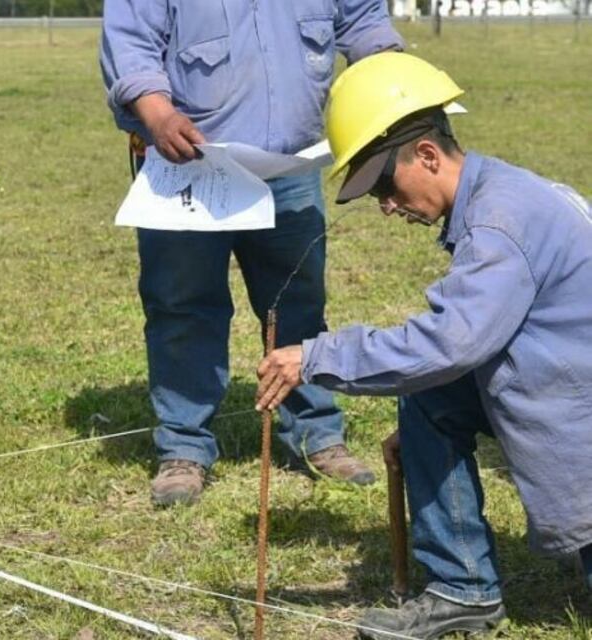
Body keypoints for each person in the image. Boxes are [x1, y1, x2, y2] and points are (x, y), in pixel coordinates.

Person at [255, 52, 592, 638]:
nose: (386, 206)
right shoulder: (506, 189)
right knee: (428, 401)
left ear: (429, 155)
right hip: (564, 382)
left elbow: (448, 344)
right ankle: (462, 590)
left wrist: (314, 356)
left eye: (384, 184)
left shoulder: (497, 227)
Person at [100, 1, 405, 506]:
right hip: (188, 164)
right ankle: (184, 448)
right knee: (182, 307)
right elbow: (130, 41)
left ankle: (317, 435)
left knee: (299, 305)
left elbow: (363, 20)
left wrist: (390, 68)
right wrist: (156, 113)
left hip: (292, 165)